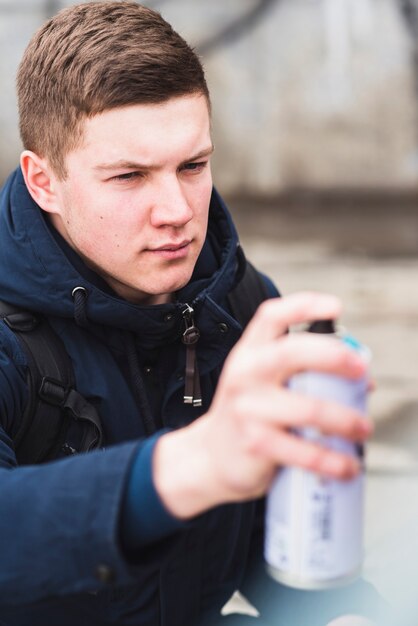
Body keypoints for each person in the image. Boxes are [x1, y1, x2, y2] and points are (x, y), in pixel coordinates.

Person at [0, 2, 382, 625]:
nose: (177, 209)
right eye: (129, 176)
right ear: (44, 182)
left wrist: (343, 613)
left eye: (193, 166)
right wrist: (188, 467)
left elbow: (272, 547)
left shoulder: (239, 301)